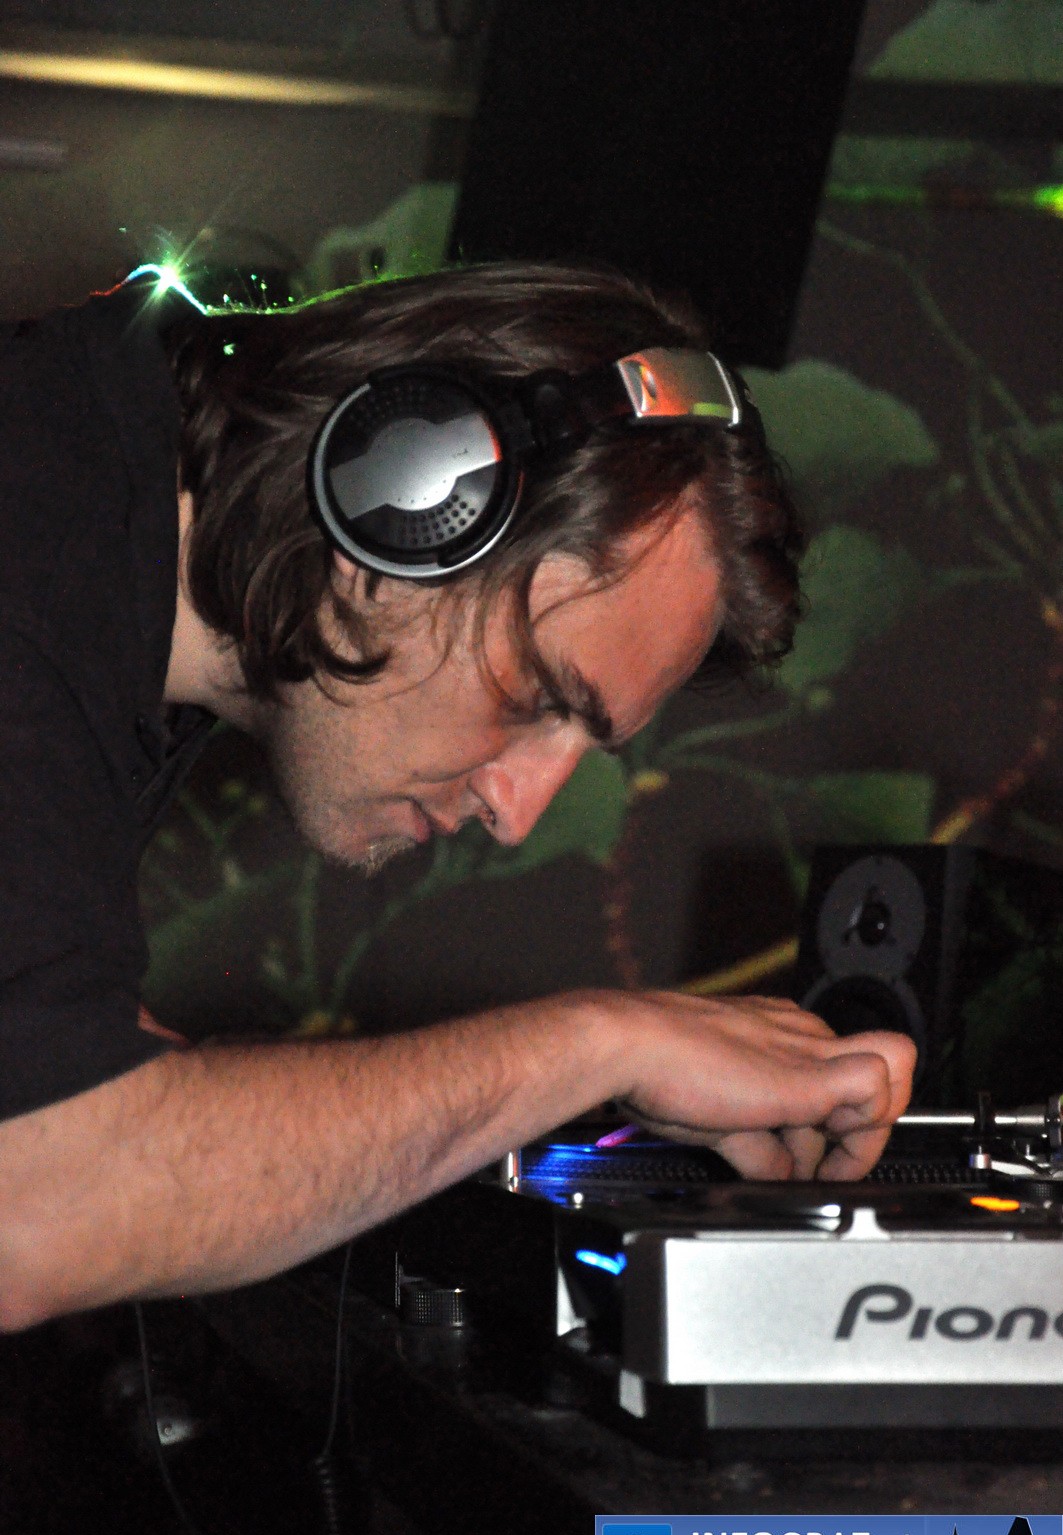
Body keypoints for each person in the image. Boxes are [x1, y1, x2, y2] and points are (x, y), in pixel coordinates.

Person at [0, 262, 915, 1332]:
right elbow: (36, 1204)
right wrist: (598, 1044)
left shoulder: (92, 535)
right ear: (401, 495)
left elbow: (80, 1073)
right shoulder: (30, 566)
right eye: (536, 698)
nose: (516, 812)